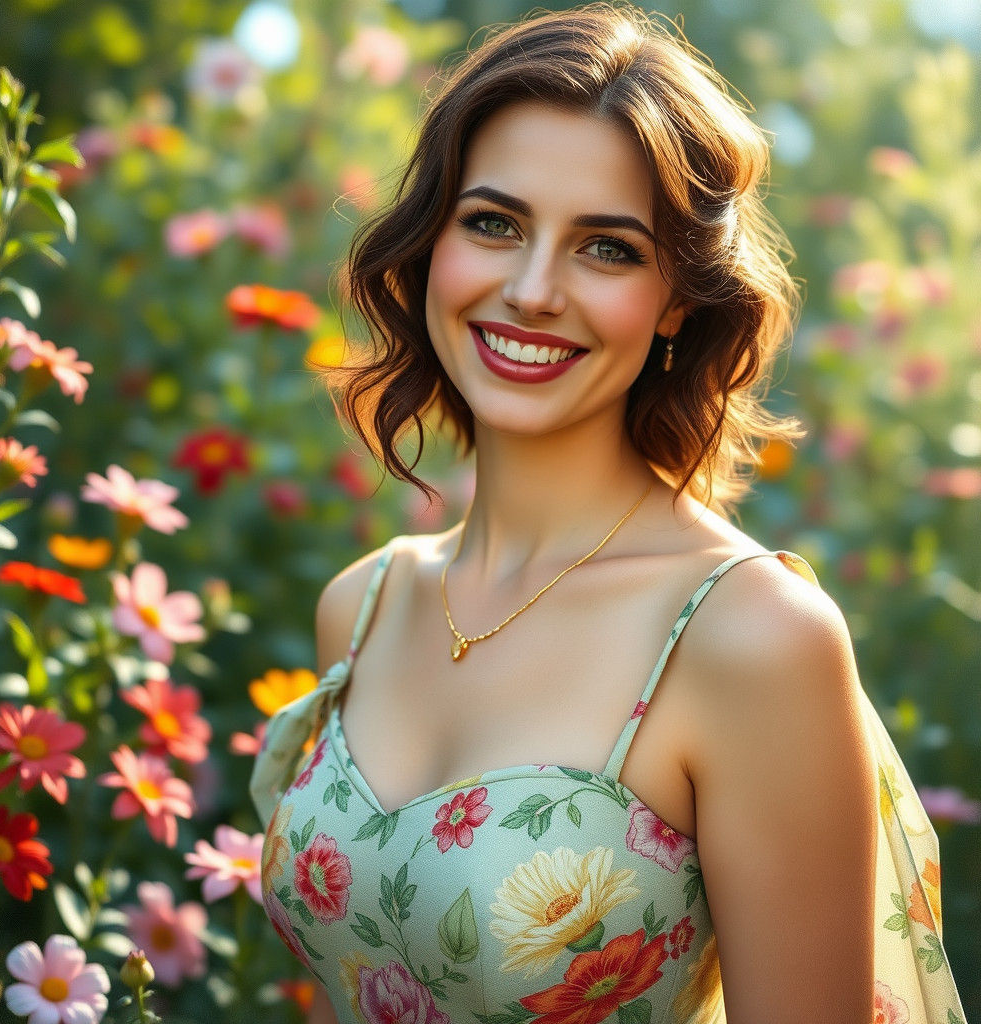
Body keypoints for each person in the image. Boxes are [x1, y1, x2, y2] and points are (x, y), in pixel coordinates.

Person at [251, 5, 966, 1022]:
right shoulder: (361, 608)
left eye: (608, 249)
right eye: (492, 222)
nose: (533, 289)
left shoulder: (750, 638)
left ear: (678, 298)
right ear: (431, 244)